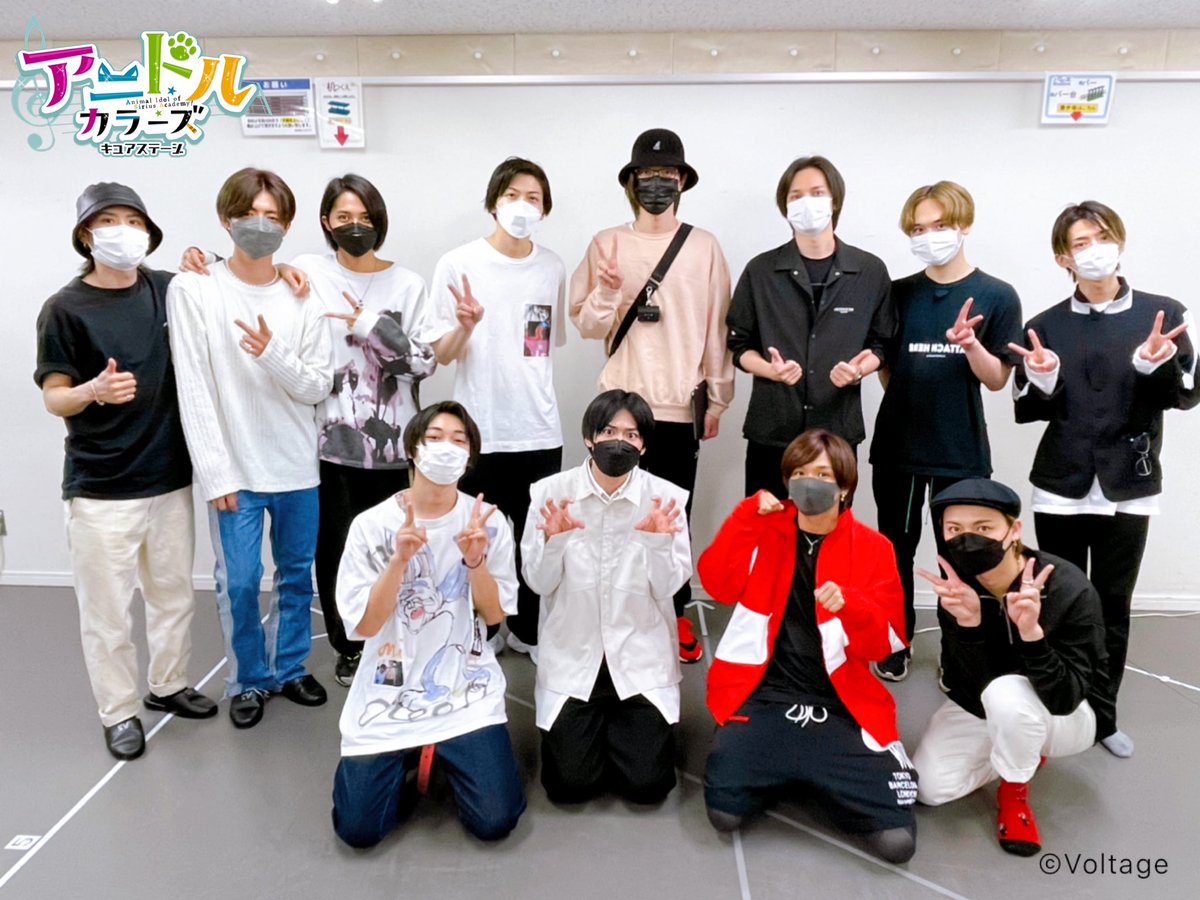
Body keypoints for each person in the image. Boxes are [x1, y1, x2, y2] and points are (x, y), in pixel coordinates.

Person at [34, 182, 217, 760]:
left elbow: (226, 279)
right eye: (110, 221)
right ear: (87, 234)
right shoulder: (64, 309)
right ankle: (118, 712)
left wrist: (206, 258)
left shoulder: (165, 289)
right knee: (108, 613)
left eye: (134, 221)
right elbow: (54, 397)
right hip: (101, 488)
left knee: (173, 596)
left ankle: (168, 685)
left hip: (168, 478)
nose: (124, 231)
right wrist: (93, 389)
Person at [1009, 201, 1197, 759]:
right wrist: (1044, 378)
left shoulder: (1163, 313)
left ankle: (1103, 715)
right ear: (1062, 258)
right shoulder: (1045, 325)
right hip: (1060, 484)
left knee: (1113, 603)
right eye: (1081, 242)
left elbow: (1186, 394)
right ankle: (1057, 704)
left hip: (1129, 485)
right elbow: (1025, 407)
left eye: (1102, 236)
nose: (1095, 250)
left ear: (1120, 240)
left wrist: (1154, 363)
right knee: (1059, 600)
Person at [698, 428, 916, 864]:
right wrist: (743, 518)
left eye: (822, 474)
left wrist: (852, 607)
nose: (808, 482)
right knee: (724, 812)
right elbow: (717, 585)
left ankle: (798, 767)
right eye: (798, 473)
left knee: (897, 841)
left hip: (840, 702)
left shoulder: (874, 548)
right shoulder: (763, 528)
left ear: (844, 487)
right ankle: (795, 765)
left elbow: (886, 645)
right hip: (765, 693)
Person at [167, 167, 334, 729]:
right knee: (238, 583)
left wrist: (272, 354)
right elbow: (193, 387)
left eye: (272, 216)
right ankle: (248, 679)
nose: (261, 225)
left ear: (286, 225)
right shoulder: (194, 288)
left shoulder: (302, 293)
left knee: (296, 577)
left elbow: (317, 385)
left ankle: (288, 668)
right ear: (226, 219)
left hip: (297, 467)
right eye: (249, 214)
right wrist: (215, 473)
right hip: (234, 472)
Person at [570, 128, 733, 664]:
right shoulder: (606, 243)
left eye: (667, 174)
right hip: (619, 408)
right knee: (610, 514)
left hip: (679, 406)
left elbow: (717, 328)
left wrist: (718, 398)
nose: (657, 183)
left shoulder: (704, 246)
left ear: (682, 180)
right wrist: (608, 290)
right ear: (631, 181)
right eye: (647, 175)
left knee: (671, 516)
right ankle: (612, 610)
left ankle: (674, 610)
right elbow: (588, 326)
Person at [330, 401, 524, 846]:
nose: (446, 448)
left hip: (462, 681)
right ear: (412, 449)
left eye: (458, 440)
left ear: (469, 457)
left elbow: (495, 616)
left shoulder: (488, 523)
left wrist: (475, 561)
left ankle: (441, 749)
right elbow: (364, 625)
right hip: (389, 683)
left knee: (495, 821)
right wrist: (398, 561)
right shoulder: (370, 526)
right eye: (434, 438)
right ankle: (407, 753)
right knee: (358, 830)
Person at [869, 181, 1023, 682]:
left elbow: (997, 379)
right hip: (898, 447)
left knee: (961, 556)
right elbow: (887, 367)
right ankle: (896, 641)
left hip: (960, 450)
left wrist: (970, 345)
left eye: (940, 226)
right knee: (893, 549)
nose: (928, 236)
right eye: (918, 229)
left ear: (964, 225)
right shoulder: (898, 293)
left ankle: (961, 653)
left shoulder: (997, 295)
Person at [912, 478, 1107, 856]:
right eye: (954, 529)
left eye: (983, 527)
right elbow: (964, 683)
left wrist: (1032, 636)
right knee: (930, 789)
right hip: (988, 704)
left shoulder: (1068, 588)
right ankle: (1021, 746)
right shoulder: (958, 588)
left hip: (1065, 714)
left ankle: (1014, 792)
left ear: (1014, 529)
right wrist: (970, 626)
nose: (967, 539)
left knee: (1007, 696)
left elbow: (1066, 697)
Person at [425, 158, 566, 664]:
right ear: (492, 203)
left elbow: (540, 345)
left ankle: (527, 629)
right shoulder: (458, 263)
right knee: (474, 537)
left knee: (534, 540)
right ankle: (479, 627)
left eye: (533, 198)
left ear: (544, 209)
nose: (522, 206)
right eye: (512, 195)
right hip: (478, 431)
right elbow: (442, 354)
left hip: (538, 429)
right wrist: (465, 325)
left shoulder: (552, 267)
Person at [521, 390, 691, 805]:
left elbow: (668, 588)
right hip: (574, 656)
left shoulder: (666, 498)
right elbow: (538, 582)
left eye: (631, 435)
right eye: (609, 431)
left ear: (643, 445)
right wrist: (555, 543)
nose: (620, 441)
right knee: (569, 786)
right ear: (589, 438)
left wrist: (657, 544)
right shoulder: (550, 494)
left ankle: (625, 730)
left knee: (647, 787)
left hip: (639, 655)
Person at [726, 155, 893, 499]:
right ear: (785, 207)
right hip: (772, 428)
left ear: (835, 201)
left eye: (817, 193)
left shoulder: (869, 271)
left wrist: (859, 370)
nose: (807, 203)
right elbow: (738, 346)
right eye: (796, 196)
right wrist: (770, 370)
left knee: (830, 526)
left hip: (837, 432)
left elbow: (882, 344)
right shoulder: (761, 271)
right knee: (766, 523)